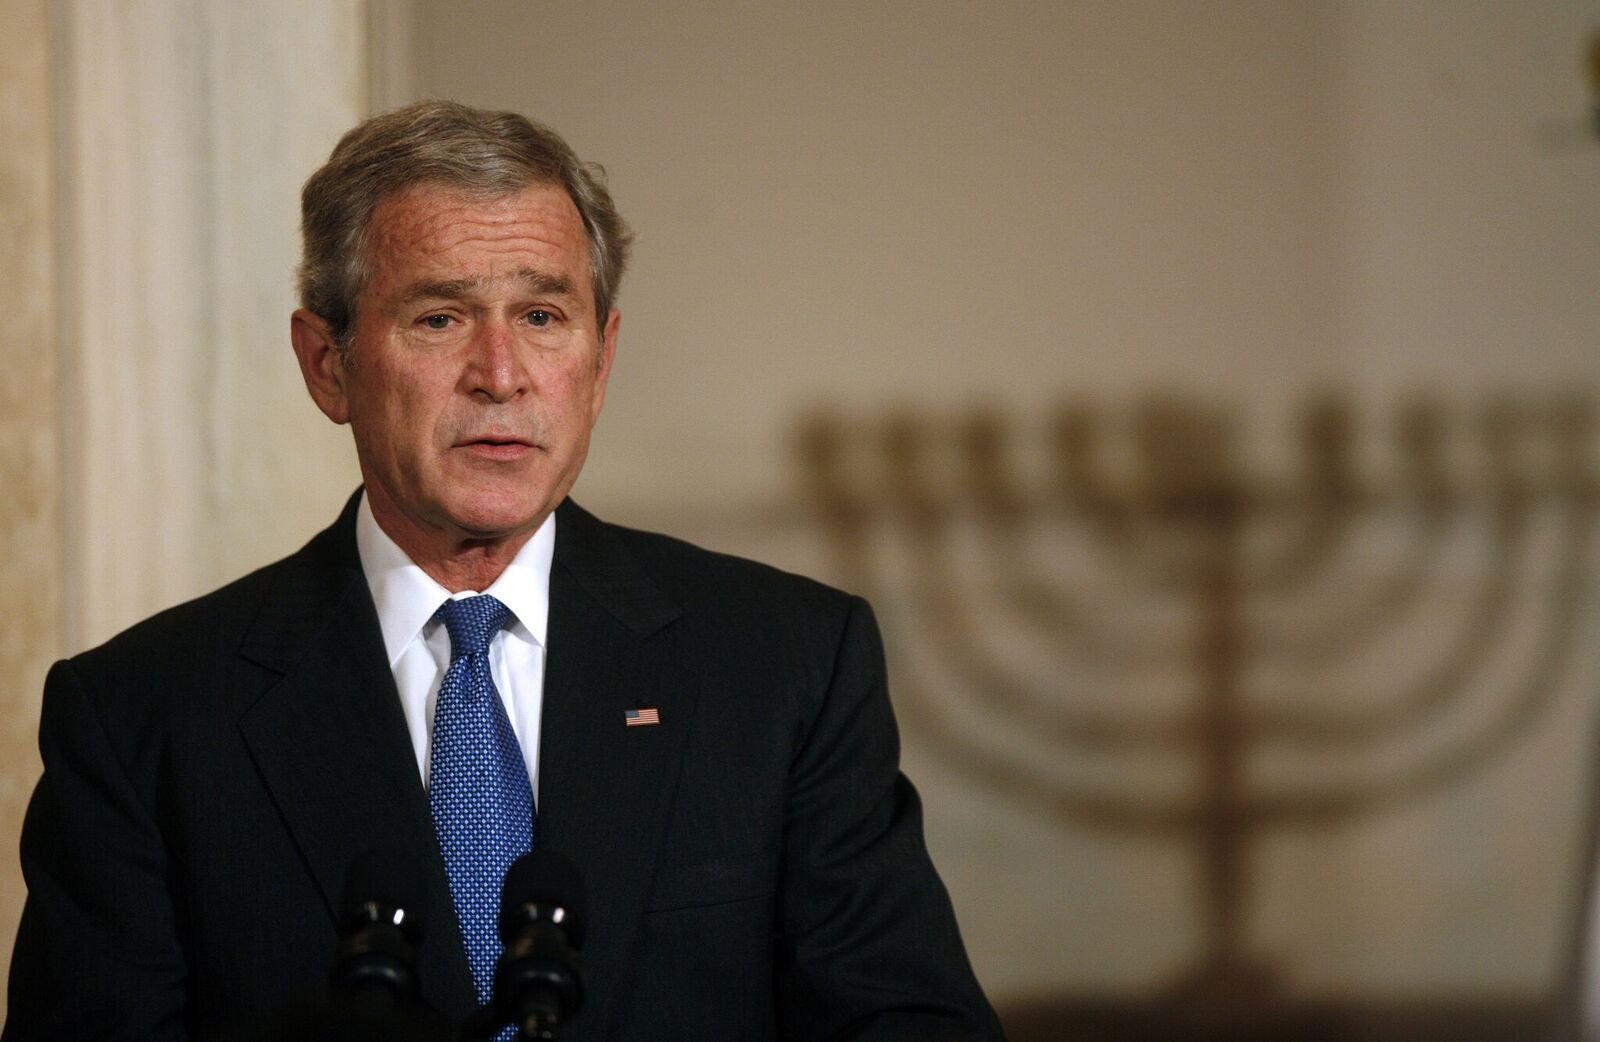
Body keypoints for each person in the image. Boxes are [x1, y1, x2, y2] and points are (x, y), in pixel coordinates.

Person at [3, 101, 1004, 1041]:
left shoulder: (785, 664)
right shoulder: (141, 716)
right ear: (328, 365)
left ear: (601, 359)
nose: (500, 372)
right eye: (439, 318)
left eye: (542, 315)